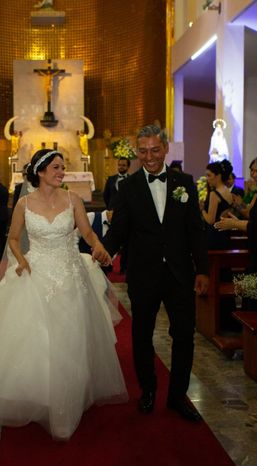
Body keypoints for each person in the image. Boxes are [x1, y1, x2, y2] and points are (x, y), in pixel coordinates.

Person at [0, 149, 128, 440]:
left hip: (69, 275)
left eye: (63, 167)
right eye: (56, 167)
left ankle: (67, 401)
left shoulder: (72, 199)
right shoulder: (24, 204)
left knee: (70, 339)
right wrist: (21, 259)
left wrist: (99, 247)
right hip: (35, 274)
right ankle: (43, 397)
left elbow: (88, 234)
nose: (61, 171)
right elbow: (13, 239)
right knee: (38, 341)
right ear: (40, 172)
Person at [103, 124, 208, 422]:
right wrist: (103, 251)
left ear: (165, 149)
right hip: (143, 273)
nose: (149, 156)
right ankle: (148, 391)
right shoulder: (129, 186)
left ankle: (178, 396)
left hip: (179, 274)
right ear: (137, 152)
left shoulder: (184, 182)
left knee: (184, 335)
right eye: (143, 151)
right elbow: (120, 229)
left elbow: (195, 230)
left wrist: (202, 269)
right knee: (141, 335)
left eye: (155, 150)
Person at [202, 160, 234, 250]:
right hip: (224, 234)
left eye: (209, 175)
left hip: (214, 236)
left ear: (218, 176)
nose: (207, 178)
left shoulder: (214, 194)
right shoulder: (227, 190)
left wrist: (202, 209)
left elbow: (210, 220)